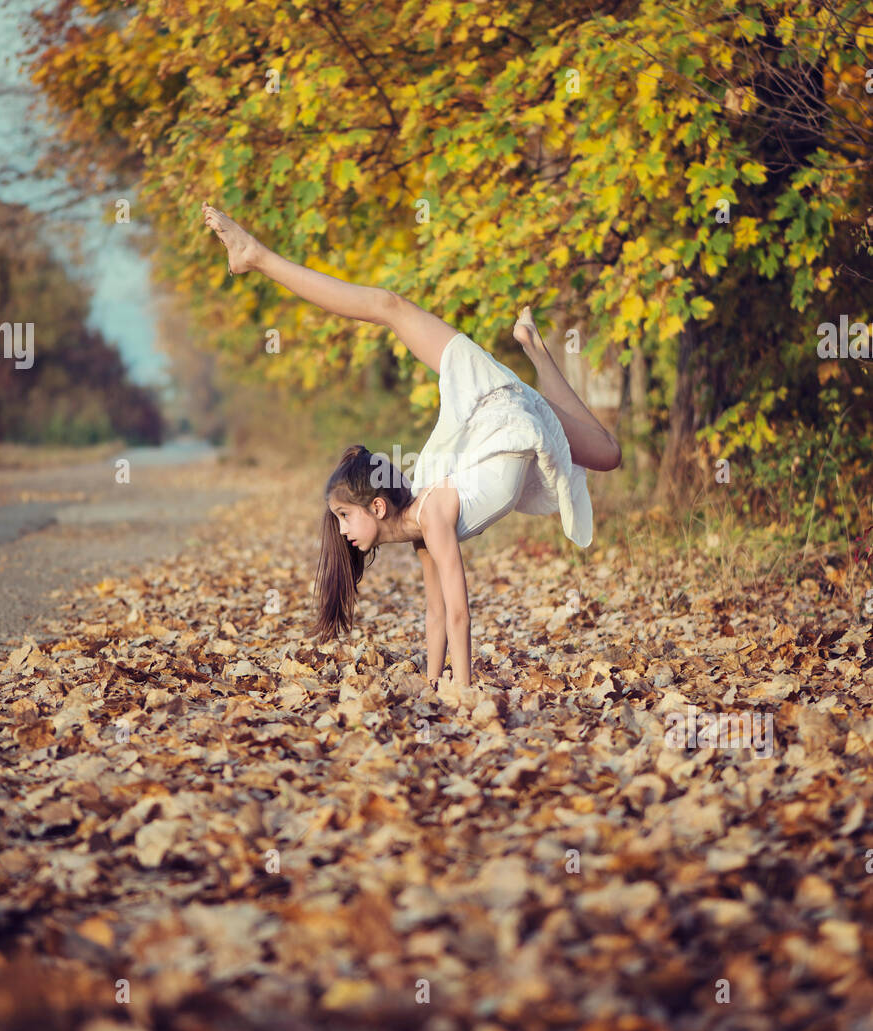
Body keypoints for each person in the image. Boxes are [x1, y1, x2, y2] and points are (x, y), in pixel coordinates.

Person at [202, 201, 622, 689]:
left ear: (377, 505)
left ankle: (256, 256)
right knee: (609, 454)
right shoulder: (420, 526)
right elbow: (437, 614)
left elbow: (462, 614)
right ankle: (534, 346)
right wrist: (430, 685)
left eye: (343, 517)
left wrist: (462, 694)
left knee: (389, 305)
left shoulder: (432, 510)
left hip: (489, 396)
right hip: (508, 420)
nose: (342, 534)